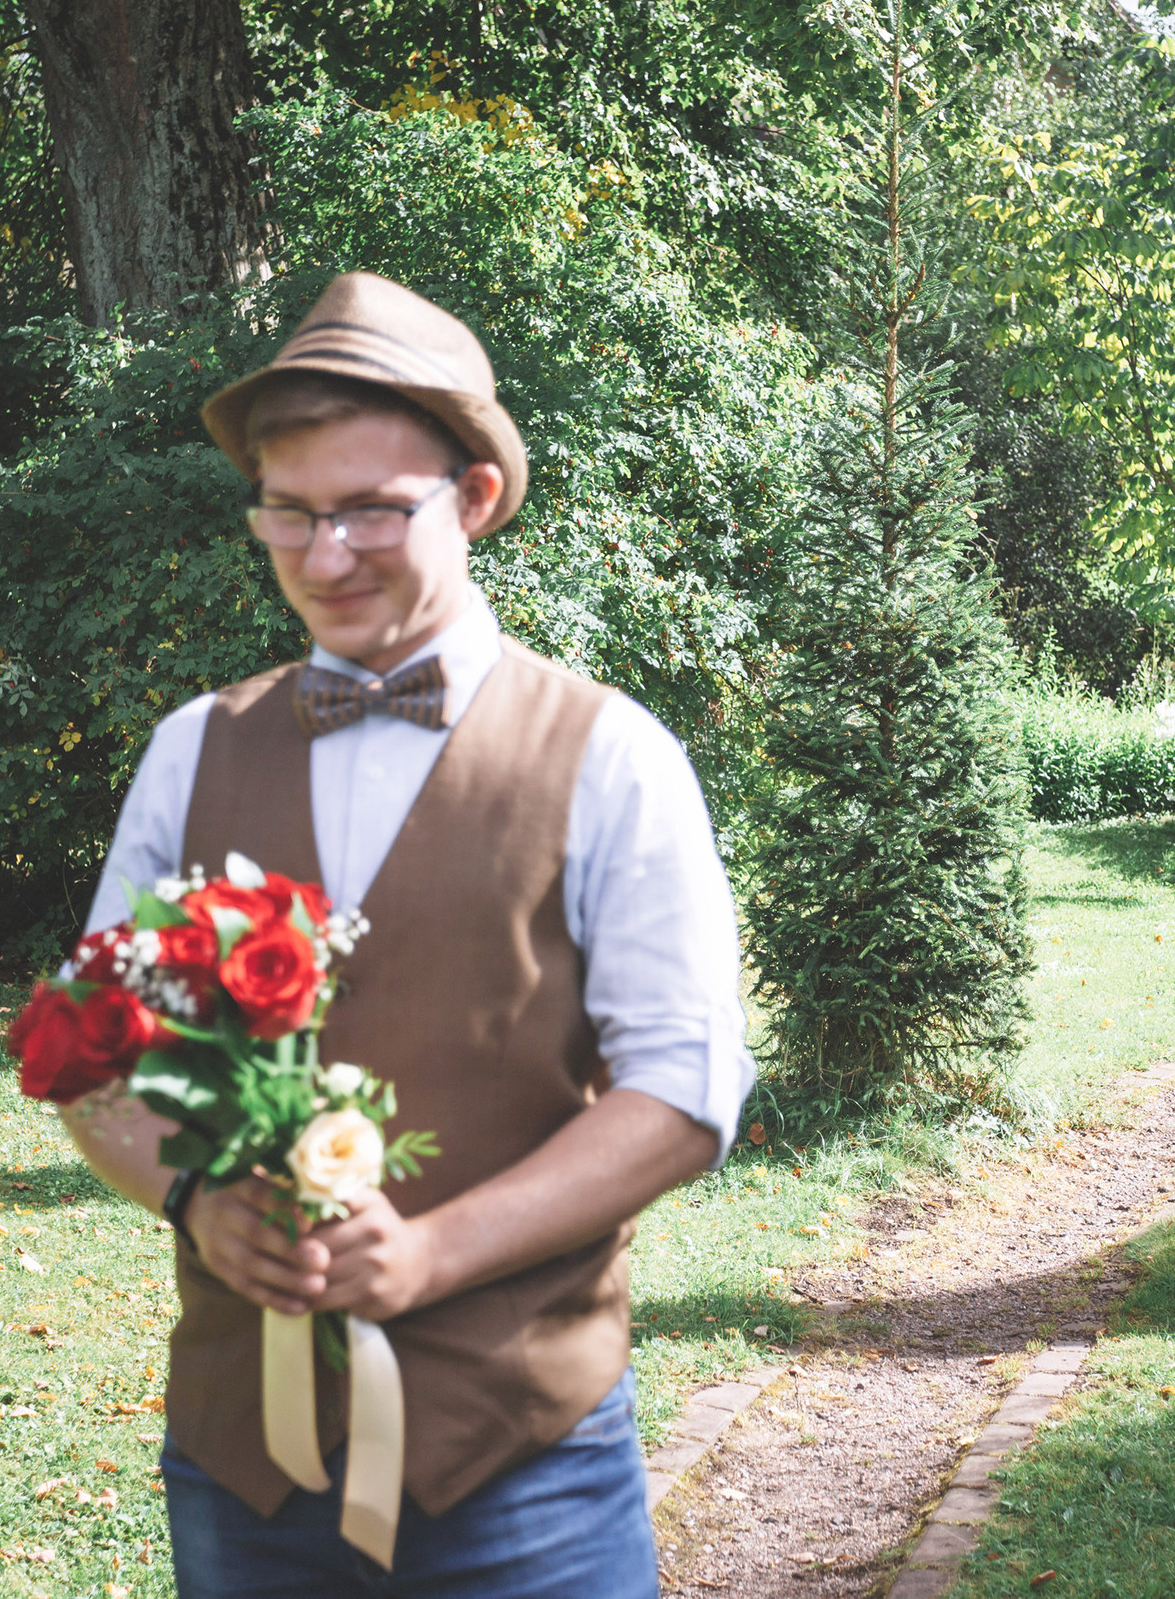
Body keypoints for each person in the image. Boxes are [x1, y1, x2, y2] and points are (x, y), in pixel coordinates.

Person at [58, 272, 753, 1597]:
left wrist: (432, 1250)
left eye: (373, 508)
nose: (325, 555)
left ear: (477, 495)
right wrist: (193, 1198)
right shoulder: (190, 751)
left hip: (523, 1459)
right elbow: (91, 1055)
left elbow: (682, 1089)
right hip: (241, 1459)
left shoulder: (612, 756)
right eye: (292, 510)